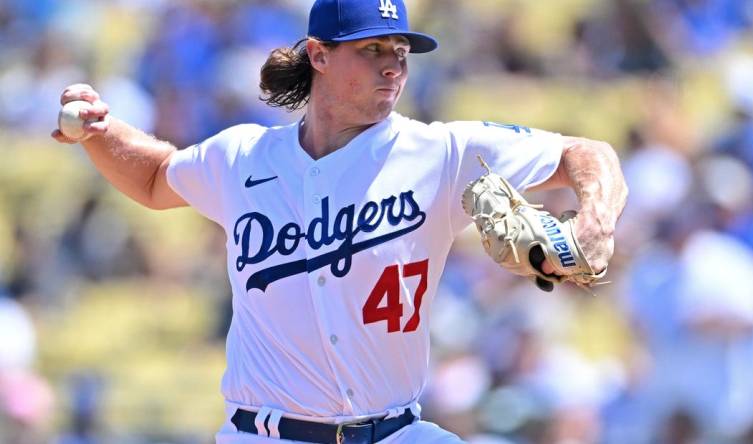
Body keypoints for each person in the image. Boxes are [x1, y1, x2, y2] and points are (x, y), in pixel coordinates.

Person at [51, 0, 627, 442]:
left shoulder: (441, 153)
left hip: (395, 428)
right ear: (319, 54)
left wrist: (595, 226)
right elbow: (155, 177)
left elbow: (587, 154)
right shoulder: (245, 157)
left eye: (400, 50)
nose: (393, 67)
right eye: (372, 50)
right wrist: (102, 132)